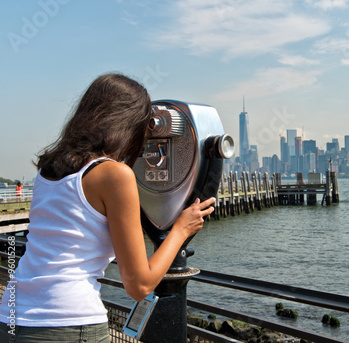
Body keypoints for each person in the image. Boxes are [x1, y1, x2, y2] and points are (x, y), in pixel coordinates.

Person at [0, 73, 215, 343]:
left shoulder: (48, 169)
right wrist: (181, 230)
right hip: (68, 324)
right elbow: (139, 285)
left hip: (10, 317)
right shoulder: (115, 175)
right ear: (130, 125)